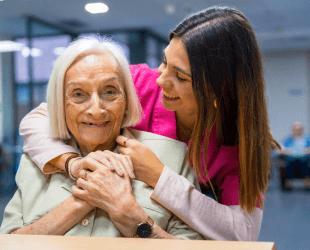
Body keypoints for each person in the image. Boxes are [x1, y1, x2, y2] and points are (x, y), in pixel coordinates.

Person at [19, 6, 279, 241]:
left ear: (216, 93)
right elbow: (39, 118)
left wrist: (160, 176)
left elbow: (242, 233)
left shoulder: (235, 144)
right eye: (165, 61)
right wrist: (72, 163)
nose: (161, 80)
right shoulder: (139, 83)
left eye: (180, 76)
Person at [0, 37, 203, 240]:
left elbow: (192, 246)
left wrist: (128, 213)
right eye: (78, 94)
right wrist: (85, 197)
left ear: (127, 100)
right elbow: (5, 242)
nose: (96, 110)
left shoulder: (172, 156)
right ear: (60, 103)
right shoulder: (39, 159)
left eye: (110, 92)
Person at [280, 122, 310, 189]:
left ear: (302, 130)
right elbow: (280, 148)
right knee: (289, 163)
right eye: (295, 129)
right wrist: (288, 152)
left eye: (299, 129)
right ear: (292, 130)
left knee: (305, 163)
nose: (297, 131)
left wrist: (306, 151)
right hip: (291, 158)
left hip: (304, 158)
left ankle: (307, 183)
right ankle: (289, 184)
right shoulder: (288, 139)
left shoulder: (307, 138)